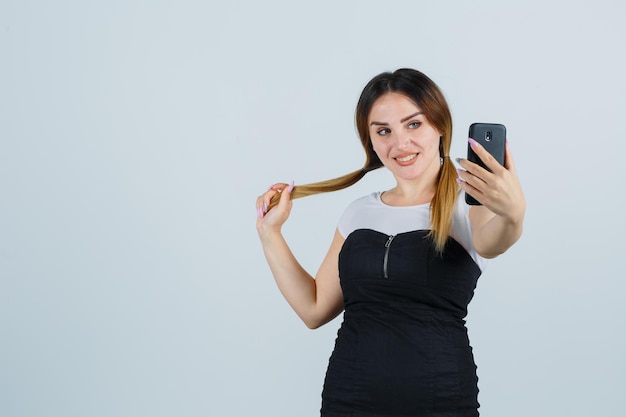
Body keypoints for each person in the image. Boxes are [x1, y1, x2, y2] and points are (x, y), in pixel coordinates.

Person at [255, 68, 525, 417]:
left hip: (440, 404)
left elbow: (492, 242)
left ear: (439, 125)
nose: (400, 143)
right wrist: (269, 233)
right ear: (371, 141)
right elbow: (314, 309)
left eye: (414, 124)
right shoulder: (358, 213)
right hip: (348, 402)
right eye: (384, 131)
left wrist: (513, 213)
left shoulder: (467, 201)